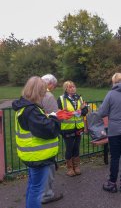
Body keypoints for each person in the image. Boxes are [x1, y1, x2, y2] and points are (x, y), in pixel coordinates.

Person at [12, 76, 60, 208]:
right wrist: (55, 117)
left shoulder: (24, 107)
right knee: (36, 190)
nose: (45, 93)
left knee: (33, 187)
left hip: (31, 155)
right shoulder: (31, 110)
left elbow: (38, 125)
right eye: (43, 91)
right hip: (38, 157)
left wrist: (47, 117)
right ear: (38, 91)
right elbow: (49, 130)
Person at [40, 74, 63, 204]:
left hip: (32, 140)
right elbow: (54, 117)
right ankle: (47, 195)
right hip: (47, 136)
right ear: (50, 84)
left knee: (38, 168)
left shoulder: (33, 94)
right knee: (49, 166)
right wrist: (61, 115)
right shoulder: (48, 96)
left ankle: (38, 191)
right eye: (54, 86)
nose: (54, 88)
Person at [57, 81, 88, 176]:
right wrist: (68, 113)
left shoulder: (80, 98)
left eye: (74, 86)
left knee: (76, 147)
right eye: (70, 87)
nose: (73, 88)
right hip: (67, 128)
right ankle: (70, 168)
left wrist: (81, 111)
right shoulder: (61, 99)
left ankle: (77, 166)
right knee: (69, 148)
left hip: (78, 127)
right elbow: (58, 113)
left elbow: (85, 111)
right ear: (66, 89)